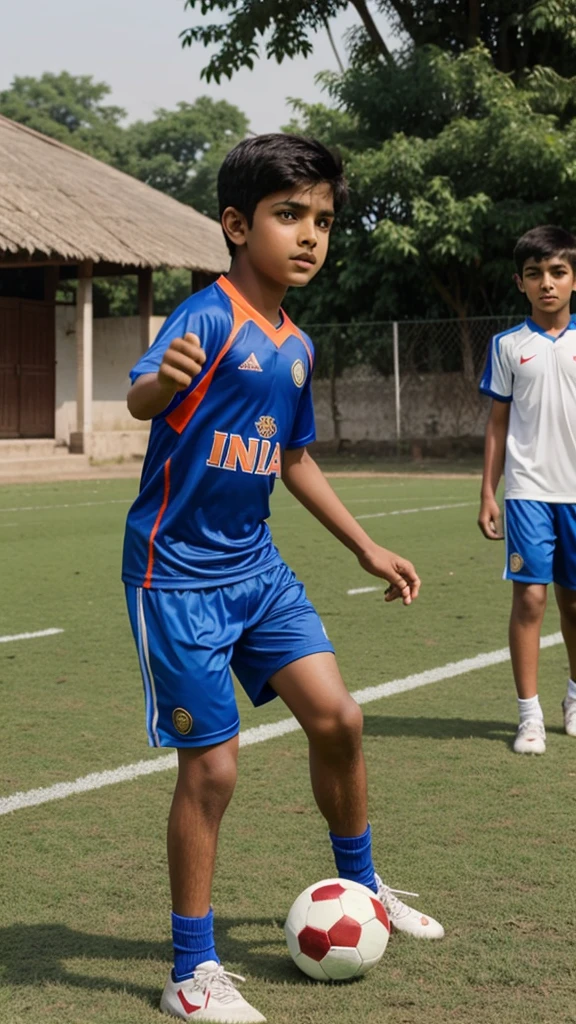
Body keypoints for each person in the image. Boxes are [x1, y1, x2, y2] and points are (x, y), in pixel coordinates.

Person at [123, 133, 444, 1024]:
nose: (310, 235)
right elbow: (143, 389)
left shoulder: (296, 346)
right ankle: (191, 972)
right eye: (289, 216)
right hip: (177, 577)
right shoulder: (210, 315)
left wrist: (365, 547)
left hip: (256, 568)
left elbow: (292, 457)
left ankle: (364, 887)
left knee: (340, 718)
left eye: (324, 221)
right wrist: (161, 386)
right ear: (236, 224)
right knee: (215, 768)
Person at [478, 224, 576, 756]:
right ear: (520, 282)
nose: (547, 284)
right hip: (529, 491)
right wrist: (488, 493)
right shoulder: (508, 346)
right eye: (535, 274)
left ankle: (575, 698)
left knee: (575, 603)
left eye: (558, 272)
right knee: (531, 597)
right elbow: (497, 424)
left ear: (574, 278)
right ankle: (529, 716)